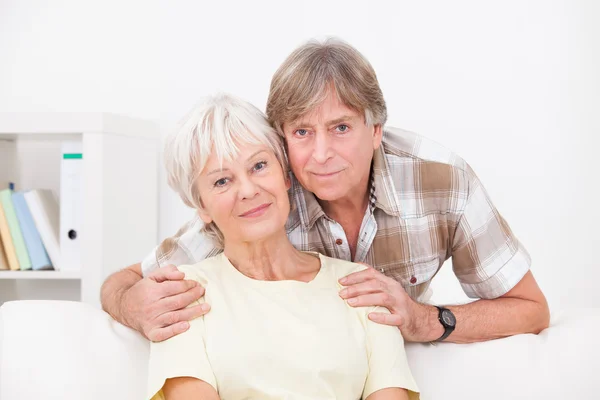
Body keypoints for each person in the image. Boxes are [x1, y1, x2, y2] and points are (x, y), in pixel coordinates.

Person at [101, 38, 549, 345]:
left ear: (375, 130)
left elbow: (531, 309)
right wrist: (131, 306)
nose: (320, 154)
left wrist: (422, 320)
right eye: (301, 132)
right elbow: (123, 283)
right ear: (281, 137)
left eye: (340, 127)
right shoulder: (262, 199)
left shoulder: (443, 182)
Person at [146, 93, 419, 400]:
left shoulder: (363, 288)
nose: (248, 190)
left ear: (285, 175)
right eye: (222, 181)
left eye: (259, 166)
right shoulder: (183, 297)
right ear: (202, 207)